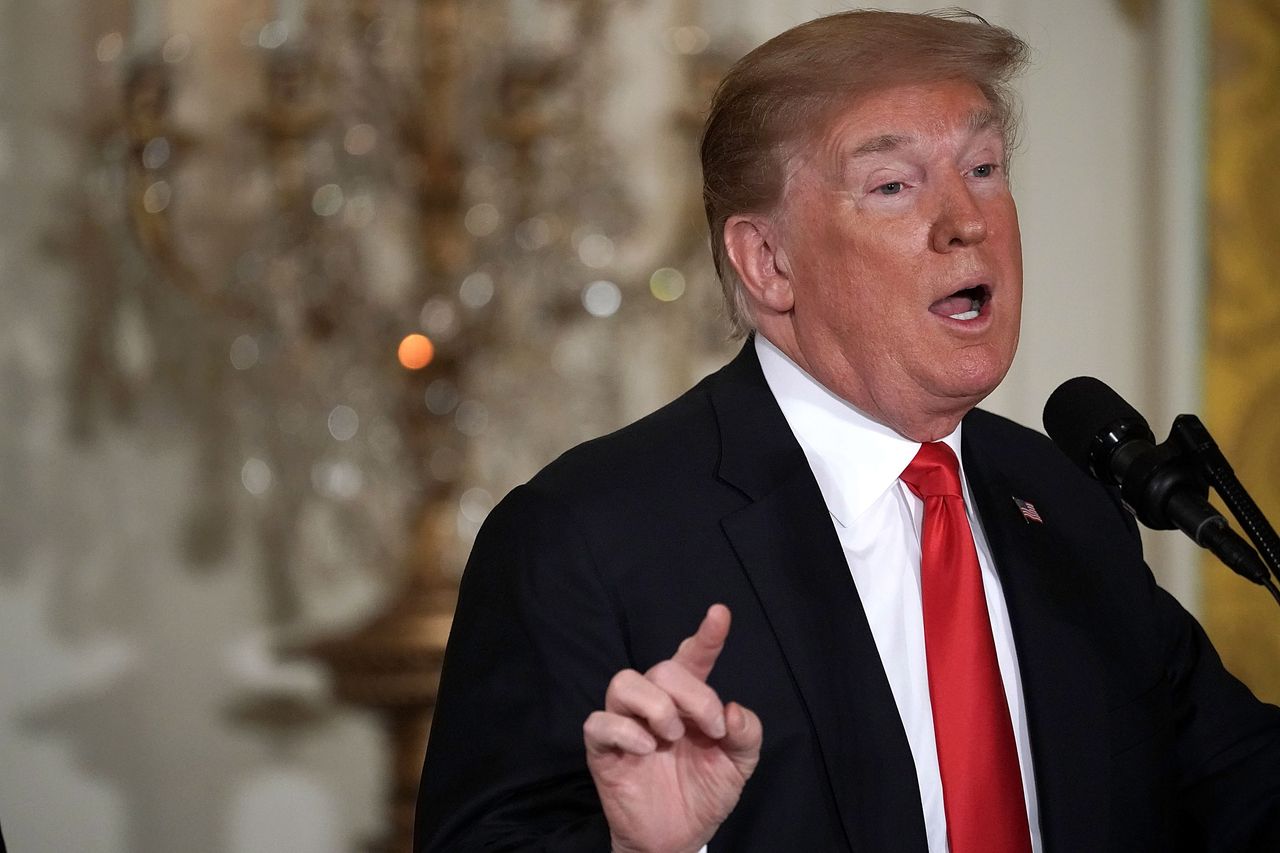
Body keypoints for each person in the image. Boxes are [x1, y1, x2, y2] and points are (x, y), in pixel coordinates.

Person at [414, 10, 1280, 852]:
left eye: (983, 167)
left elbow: (1243, 790)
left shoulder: (1066, 502)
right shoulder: (586, 536)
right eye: (894, 184)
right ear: (769, 262)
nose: (967, 219)